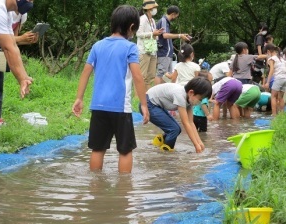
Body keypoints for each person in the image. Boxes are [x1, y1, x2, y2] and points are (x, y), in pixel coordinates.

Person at [72, 5, 149, 173]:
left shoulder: (97, 46)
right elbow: (137, 77)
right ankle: (124, 190)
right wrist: (144, 104)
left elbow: (85, 73)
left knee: (98, 149)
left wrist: (79, 98)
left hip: (98, 106)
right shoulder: (130, 47)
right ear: (131, 27)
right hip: (121, 108)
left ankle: (95, 186)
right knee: (125, 150)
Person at [0, 0, 33, 128]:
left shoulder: (6, 14)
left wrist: (24, 77)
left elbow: (12, 44)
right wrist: (21, 79)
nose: (30, 2)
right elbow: (7, 47)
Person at [140, 76, 212, 152]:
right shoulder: (180, 96)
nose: (200, 103)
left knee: (176, 129)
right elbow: (185, 123)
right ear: (191, 92)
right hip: (148, 104)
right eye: (200, 99)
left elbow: (191, 123)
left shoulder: (189, 99)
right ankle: (166, 153)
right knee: (174, 129)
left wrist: (200, 143)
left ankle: (159, 141)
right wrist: (196, 145)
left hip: (156, 105)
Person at [155, 5, 191, 85]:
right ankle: (157, 93)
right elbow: (165, 35)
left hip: (168, 53)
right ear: (173, 14)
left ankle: (163, 93)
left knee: (166, 75)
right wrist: (179, 36)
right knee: (161, 73)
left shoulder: (166, 22)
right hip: (164, 52)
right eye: (176, 16)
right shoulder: (164, 20)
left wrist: (181, 35)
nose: (176, 18)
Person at [136, 0, 163, 92]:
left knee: (150, 76)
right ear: (149, 9)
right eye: (154, 8)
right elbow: (138, 34)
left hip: (152, 50)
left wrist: (157, 32)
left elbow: (153, 34)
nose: (155, 9)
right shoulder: (142, 19)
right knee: (142, 76)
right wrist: (152, 33)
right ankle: (138, 97)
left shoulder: (152, 20)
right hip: (143, 50)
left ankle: (147, 96)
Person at [263, 43, 286, 116]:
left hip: (278, 78)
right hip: (284, 78)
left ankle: (274, 114)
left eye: (267, 53)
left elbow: (272, 70)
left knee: (273, 96)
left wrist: (268, 82)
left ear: (268, 51)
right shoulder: (281, 58)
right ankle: (282, 114)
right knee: (281, 97)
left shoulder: (272, 58)